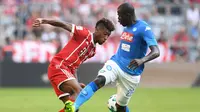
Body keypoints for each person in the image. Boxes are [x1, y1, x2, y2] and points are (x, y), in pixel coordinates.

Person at [70, 2, 160, 112]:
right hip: (116, 64)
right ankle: (74, 107)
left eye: (120, 15)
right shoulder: (126, 27)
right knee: (99, 80)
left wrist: (142, 60)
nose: (118, 19)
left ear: (128, 15)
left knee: (120, 107)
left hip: (131, 75)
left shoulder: (143, 28)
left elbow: (156, 51)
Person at [32, 17, 115, 112]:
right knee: (79, 92)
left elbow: (75, 67)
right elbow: (63, 24)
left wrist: (75, 81)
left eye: (108, 36)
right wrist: (43, 21)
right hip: (59, 66)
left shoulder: (92, 51)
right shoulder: (84, 33)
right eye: (104, 34)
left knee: (73, 109)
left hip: (63, 71)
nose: (105, 38)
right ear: (97, 29)